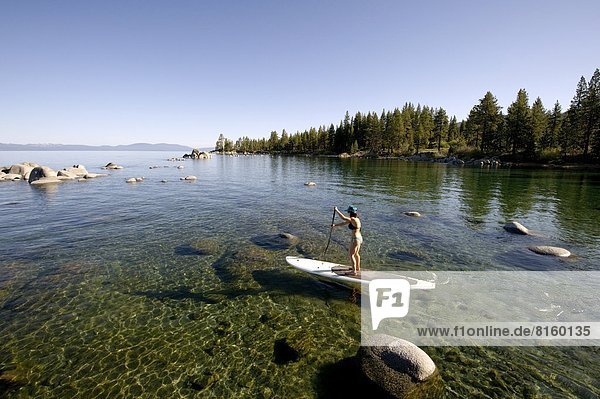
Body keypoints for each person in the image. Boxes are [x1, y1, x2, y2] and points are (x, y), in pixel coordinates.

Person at [332, 205, 362, 275]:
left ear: (350, 212)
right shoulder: (355, 219)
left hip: (355, 239)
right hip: (359, 238)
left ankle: (354, 271)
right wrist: (335, 225)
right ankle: (357, 268)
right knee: (356, 254)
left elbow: (343, 218)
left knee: (351, 254)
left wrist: (337, 210)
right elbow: (344, 223)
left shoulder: (353, 219)